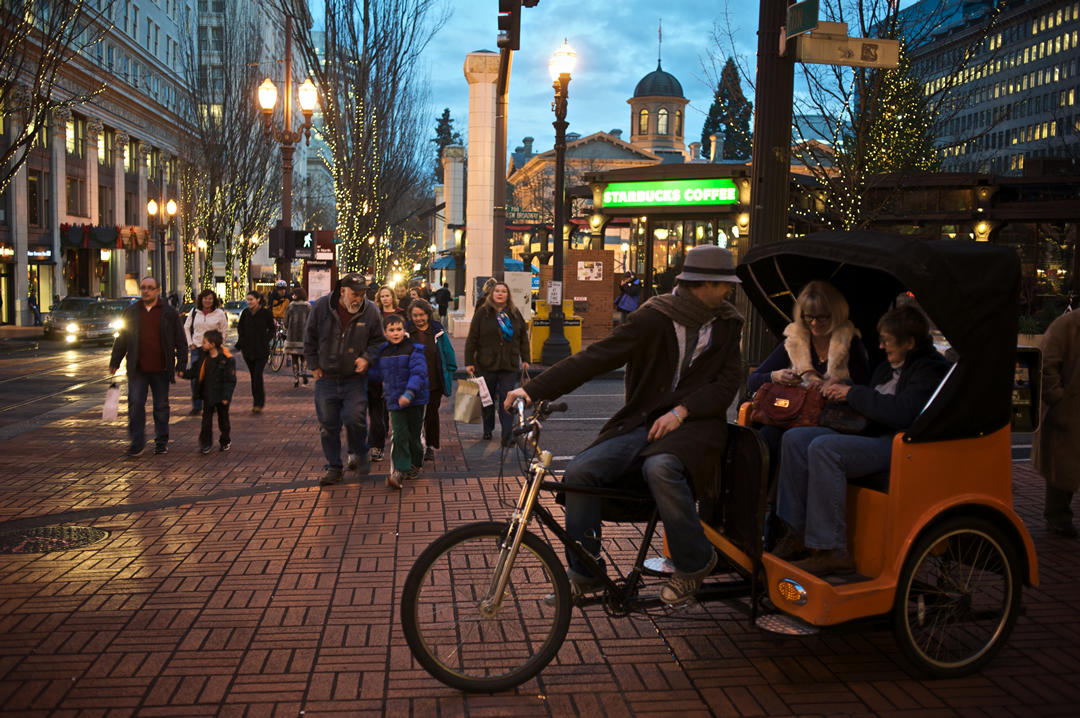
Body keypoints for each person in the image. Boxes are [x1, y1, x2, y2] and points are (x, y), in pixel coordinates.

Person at [505, 245, 744, 606]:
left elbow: (728, 385)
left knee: (661, 467)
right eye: (724, 284)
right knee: (581, 472)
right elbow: (596, 358)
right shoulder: (656, 317)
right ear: (702, 284)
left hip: (696, 425)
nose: (729, 291)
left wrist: (682, 411)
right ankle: (586, 571)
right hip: (645, 420)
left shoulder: (727, 324)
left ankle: (694, 563)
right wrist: (533, 389)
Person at [774, 304, 950, 577]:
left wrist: (853, 394)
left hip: (901, 444)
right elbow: (867, 401)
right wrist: (837, 390)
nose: (881, 346)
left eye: (887, 341)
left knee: (825, 448)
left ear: (910, 342)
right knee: (795, 439)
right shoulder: (885, 367)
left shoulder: (930, 370)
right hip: (869, 433)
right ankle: (795, 530)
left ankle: (831, 549)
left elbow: (902, 412)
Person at [747, 280, 871, 483]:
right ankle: (762, 503)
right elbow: (753, 381)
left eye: (822, 318)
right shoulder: (795, 340)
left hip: (830, 419)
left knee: (796, 441)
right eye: (809, 317)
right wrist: (776, 376)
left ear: (836, 314)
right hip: (791, 415)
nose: (814, 323)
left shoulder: (849, 343)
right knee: (766, 440)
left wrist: (838, 386)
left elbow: (865, 390)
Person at [304, 273, 385, 486]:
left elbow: (378, 340)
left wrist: (366, 358)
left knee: (354, 418)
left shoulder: (371, 311)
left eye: (362, 294)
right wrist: (313, 365)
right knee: (328, 424)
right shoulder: (322, 307)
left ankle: (359, 452)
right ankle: (334, 466)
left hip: (354, 378)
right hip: (326, 377)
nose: (358, 298)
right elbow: (309, 337)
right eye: (354, 294)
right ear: (342, 291)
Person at [109, 276, 187, 456]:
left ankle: (161, 441)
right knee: (135, 403)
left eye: (150, 288)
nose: (146, 291)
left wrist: (181, 363)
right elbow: (122, 338)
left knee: (161, 406)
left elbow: (180, 340)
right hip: (138, 368)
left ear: (157, 290)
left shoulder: (168, 312)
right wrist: (115, 361)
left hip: (161, 369)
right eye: (143, 287)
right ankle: (137, 442)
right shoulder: (132, 311)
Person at [1032, 307, 1080, 538]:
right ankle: (1058, 517)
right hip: (1068, 411)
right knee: (1061, 467)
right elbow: (1046, 363)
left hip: (1070, 409)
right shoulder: (1066, 325)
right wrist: (1057, 397)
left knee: (1066, 465)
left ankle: (1059, 516)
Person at [465, 281, 530, 444]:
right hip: (486, 363)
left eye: (503, 291)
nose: (500, 294)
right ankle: (488, 428)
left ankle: (507, 435)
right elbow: (472, 338)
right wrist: (469, 361)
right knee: (487, 400)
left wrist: (526, 359)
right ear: (492, 294)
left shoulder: (515, 314)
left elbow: (523, 337)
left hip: (509, 363)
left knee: (506, 400)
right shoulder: (483, 313)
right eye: (497, 291)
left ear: (508, 295)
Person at [370, 313, 429, 489]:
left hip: (415, 400)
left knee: (413, 436)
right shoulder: (383, 352)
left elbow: (419, 374)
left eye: (399, 329)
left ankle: (415, 463)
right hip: (394, 400)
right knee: (399, 434)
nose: (396, 333)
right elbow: (378, 373)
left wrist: (410, 393)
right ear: (385, 333)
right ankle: (399, 471)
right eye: (391, 330)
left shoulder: (414, 349)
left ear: (404, 331)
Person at [406, 298, 458, 462]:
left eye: (421, 315)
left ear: (428, 314)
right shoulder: (407, 331)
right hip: (413, 382)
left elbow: (448, 352)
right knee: (415, 416)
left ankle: (429, 446)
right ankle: (415, 444)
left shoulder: (437, 330)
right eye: (415, 315)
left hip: (434, 381)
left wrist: (450, 371)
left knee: (431, 415)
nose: (419, 319)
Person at [180, 329, 236, 454]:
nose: (202, 344)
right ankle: (206, 443)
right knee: (206, 421)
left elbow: (230, 380)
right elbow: (195, 371)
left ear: (212, 344)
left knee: (223, 421)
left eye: (204, 342)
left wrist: (226, 397)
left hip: (221, 395)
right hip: (208, 394)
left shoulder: (226, 359)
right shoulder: (203, 357)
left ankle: (225, 440)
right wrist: (184, 373)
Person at [369, 285, 404, 461]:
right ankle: (378, 444)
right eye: (382, 296)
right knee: (380, 409)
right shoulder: (375, 316)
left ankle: (399, 442)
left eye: (387, 295)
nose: (384, 299)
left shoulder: (400, 314)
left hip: (398, 365)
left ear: (393, 297)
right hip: (379, 365)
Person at [184, 289, 229, 415]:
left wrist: (219, 345)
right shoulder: (194, 312)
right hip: (197, 348)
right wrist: (190, 343)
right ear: (201, 299)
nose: (207, 301)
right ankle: (197, 405)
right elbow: (186, 327)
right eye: (205, 298)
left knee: (212, 377)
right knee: (196, 378)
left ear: (214, 300)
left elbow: (224, 330)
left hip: (213, 349)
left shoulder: (219, 313)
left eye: (210, 298)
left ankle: (211, 403)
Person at [236, 290, 274, 413]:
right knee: (253, 376)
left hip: (261, 350)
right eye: (248, 300)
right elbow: (240, 328)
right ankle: (256, 401)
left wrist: (266, 339)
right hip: (248, 350)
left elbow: (272, 328)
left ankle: (259, 402)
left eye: (251, 299)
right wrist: (242, 340)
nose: (249, 302)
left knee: (258, 375)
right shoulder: (245, 313)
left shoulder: (265, 313)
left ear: (258, 299)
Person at [284, 287, 311, 388]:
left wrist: (287, 327)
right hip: (304, 336)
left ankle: (296, 378)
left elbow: (286, 322)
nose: (293, 296)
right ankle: (303, 371)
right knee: (303, 357)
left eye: (294, 294)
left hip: (292, 337)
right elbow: (311, 321)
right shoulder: (308, 307)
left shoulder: (291, 306)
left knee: (294, 358)